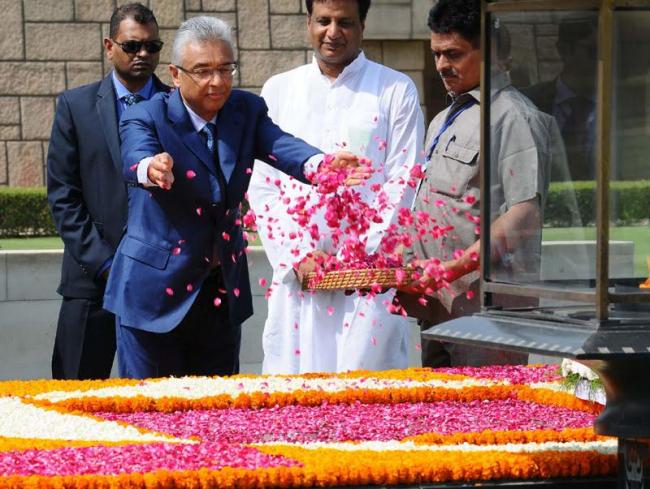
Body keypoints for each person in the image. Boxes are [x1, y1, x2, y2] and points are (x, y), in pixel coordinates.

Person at [103, 16, 367, 379]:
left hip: (219, 292)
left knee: (220, 405)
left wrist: (320, 165)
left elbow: (279, 144)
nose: (217, 81)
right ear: (176, 74)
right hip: (153, 296)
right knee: (151, 406)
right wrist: (151, 168)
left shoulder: (244, 110)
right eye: (203, 71)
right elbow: (135, 155)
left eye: (225, 69)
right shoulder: (146, 114)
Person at [249, 0, 424, 374]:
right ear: (308, 23)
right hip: (297, 281)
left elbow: (404, 180)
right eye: (323, 21)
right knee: (295, 394)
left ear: (363, 24)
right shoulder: (279, 90)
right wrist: (298, 254)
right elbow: (263, 186)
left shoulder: (395, 89)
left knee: (365, 391)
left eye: (345, 22)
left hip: (366, 283)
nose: (333, 32)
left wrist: (357, 258)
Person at [399, 0, 559, 368]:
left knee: (487, 402)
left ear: (491, 54)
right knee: (438, 404)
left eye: (453, 54)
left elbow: (524, 215)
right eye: (436, 54)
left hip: (490, 316)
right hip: (440, 307)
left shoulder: (514, 116)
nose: (441, 65)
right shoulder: (445, 118)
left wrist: (453, 267)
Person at [47, 3, 169, 380]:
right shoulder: (75, 107)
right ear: (109, 46)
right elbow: (64, 197)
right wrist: (105, 265)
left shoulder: (176, 106)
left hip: (159, 284)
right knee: (74, 399)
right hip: (91, 281)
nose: (143, 54)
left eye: (152, 46)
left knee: (160, 402)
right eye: (132, 46)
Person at [523, 17, 597, 182]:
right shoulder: (527, 102)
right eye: (593, 51)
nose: (601, 61)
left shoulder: (623, 105)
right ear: (564, 50)